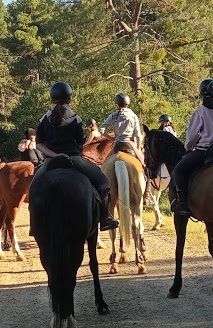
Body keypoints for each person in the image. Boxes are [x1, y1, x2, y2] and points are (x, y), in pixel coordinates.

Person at [34, 82, 119, 231]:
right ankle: (105, 218)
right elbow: (80, 145)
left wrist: (55, 155)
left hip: (50, 162)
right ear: (69, 98)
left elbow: (38, 144)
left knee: (34, 188)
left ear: (52, 98)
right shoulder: (76, 118)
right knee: (103, 182)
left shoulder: (44, 119)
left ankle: (34, 223)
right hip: (74, 159)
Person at [171, 79, 213, 218]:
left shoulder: (201, 111)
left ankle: (183, 204)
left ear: (202, 93)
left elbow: (192, 135)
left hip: (204, 150)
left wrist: (188, 147)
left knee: (179, 170)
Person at [96, 93, 144, 163]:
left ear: (117, 103)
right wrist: (138, 148)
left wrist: (111, 138)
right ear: (128, 103)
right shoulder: (133, 116)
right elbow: (138, 136)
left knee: (104, 165)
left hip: (117, 143)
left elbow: (101, 130)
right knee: (144, 164)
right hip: (130, 143)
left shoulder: (114, 115)